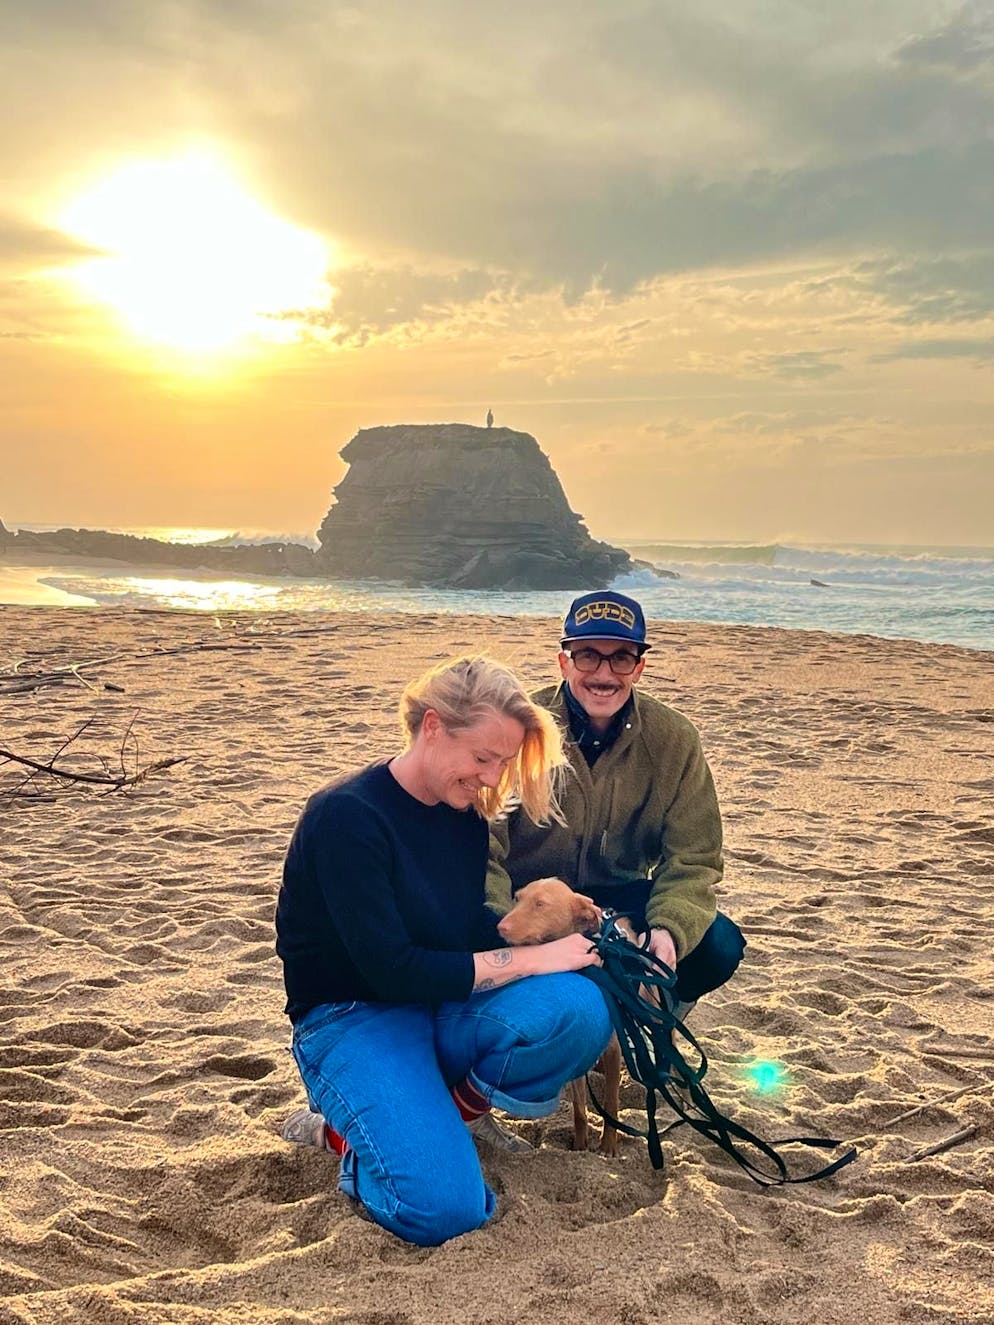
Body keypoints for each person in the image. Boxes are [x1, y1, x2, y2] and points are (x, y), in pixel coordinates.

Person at [275, 655, 612, 1247]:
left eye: (504, 763)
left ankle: (432, 1115)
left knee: (580, 1008)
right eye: (483, 758)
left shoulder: (462, 818)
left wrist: (562, 938)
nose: (491, 778)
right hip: (352, 1018)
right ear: (432, 727)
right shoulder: (345, 816)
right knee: (445, 1211)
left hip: (441, 1003)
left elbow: (460, 928)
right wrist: (531, 961)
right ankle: (347, 1137)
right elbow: (392, 969)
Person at [486, 590, 745, 1018]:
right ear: (563, 661)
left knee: (718, 946)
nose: (603, 674)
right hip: (526, 895)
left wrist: (668, 929)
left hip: (617, 895)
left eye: (621, 657)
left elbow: (695, 857)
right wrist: (500, 917)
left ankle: (651, 1022)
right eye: (588, 655)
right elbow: (483, 842)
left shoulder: (674, 739)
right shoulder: (519, 726)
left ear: (639, 667)